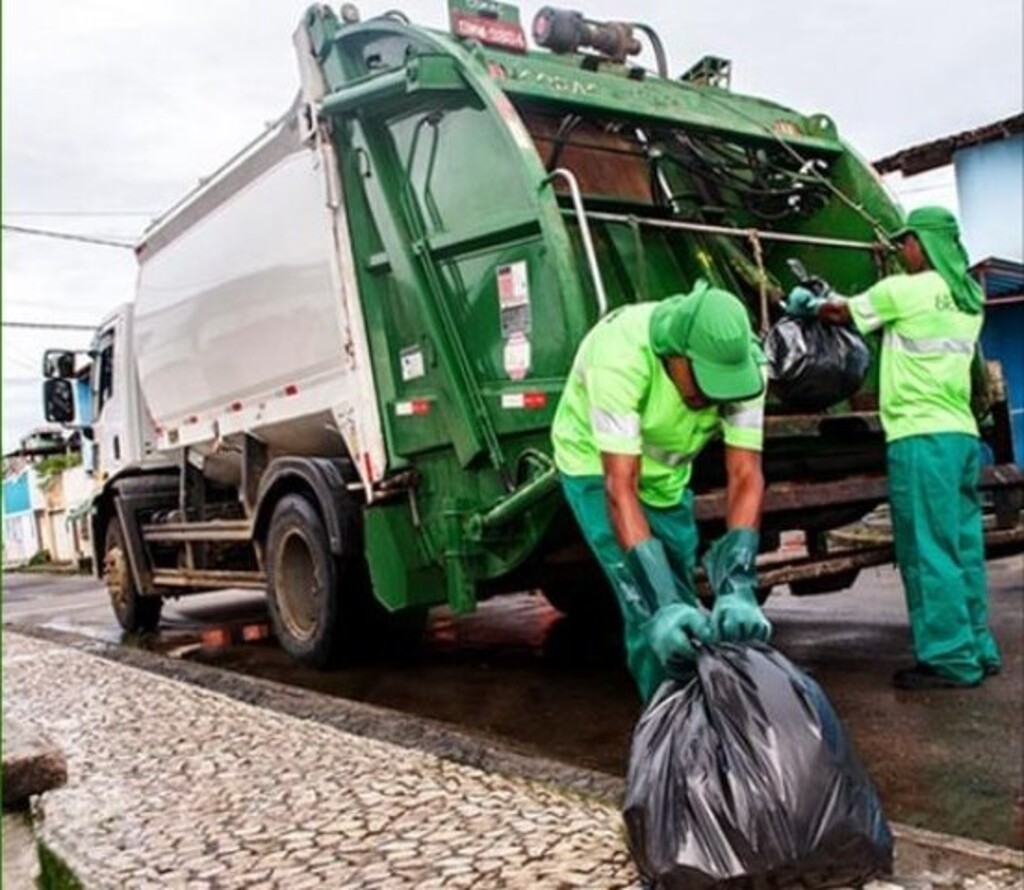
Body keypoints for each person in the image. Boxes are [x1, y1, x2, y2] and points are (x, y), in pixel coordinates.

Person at [784, 205, 1001, 690]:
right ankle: (978, 648)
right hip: (960, 435)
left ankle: (948, 660)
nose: (900, 249)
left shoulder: (905, 291)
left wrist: (808, 304)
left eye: (906, 241)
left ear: (923, 243)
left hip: (920, 438)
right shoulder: (968, 296)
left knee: (928, 552)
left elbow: (843, 311)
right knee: (963, 547)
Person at [551, 279, 772, 703]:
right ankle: (675, 730)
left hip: (668, 476)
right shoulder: (618, 357)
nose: (712, 397)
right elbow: (621, 488)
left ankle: (698, 708)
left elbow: (745, 473)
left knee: (683, 598)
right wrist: (661, 600)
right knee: (651, 610)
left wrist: (739, 581)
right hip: (597, 469)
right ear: (675, 355)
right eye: (703, 382)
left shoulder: (748, 369)